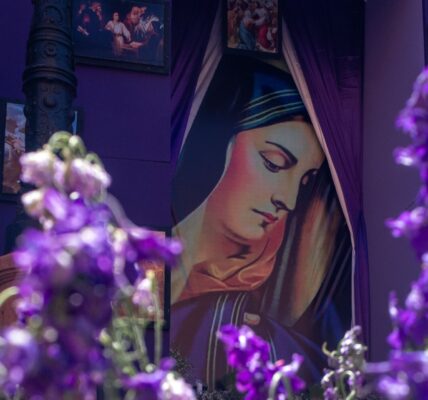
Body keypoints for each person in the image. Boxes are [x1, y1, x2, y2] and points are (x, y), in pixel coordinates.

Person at [171, 56, 352, 388]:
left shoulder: (294, 312)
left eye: (305, 181)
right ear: (216, 149)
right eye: (274, 163)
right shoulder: (154, 269)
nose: (289, 201)